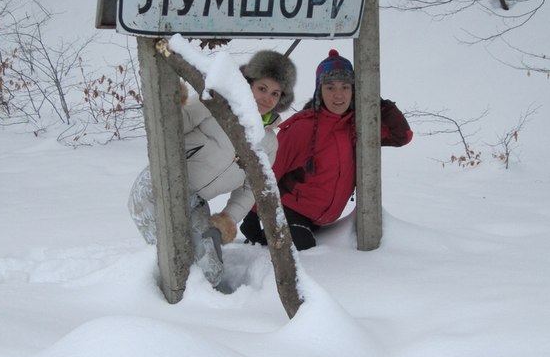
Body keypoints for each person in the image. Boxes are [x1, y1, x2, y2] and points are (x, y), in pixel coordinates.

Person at [128, 49, 296, 285]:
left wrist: (228, 219)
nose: (267, 98)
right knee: (175, 255)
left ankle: (213, 305)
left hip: (195, 202)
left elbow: (250, 188)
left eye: (275, 93)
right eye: (262, 88)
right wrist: (173, 102)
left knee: (210, 267)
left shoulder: (267, 143)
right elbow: (174, 127)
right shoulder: (215, 104)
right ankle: (158, 299)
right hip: (158, 185)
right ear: (247, 83)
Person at [239, 48, 412, 251]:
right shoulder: (301, 128)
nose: (338, 95)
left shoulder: (358, 127)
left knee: (307, 243)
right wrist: (252, 215)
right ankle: (262, 246)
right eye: (330, 87)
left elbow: (402, 136)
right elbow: (270, 171)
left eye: (345, 87)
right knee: (303, 247)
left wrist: (375, 100)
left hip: (320, 221)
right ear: (319, 90)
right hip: (290, 211)